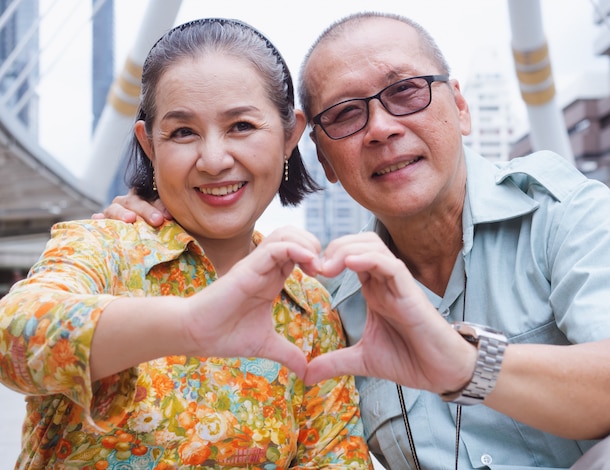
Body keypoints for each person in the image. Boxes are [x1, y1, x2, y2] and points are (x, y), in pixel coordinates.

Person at [104, 11, 610, 470]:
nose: (382, 128)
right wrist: (169, 213)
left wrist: (464, 364)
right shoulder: (331, 307)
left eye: (407, 91)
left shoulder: (567, 214)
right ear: (322, 159)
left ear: (460, 106)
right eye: (346, 114)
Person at [0, 18, 373, 469]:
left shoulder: (309, 311)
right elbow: (10, 339)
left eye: (242, 126)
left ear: (290, 136)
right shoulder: (104, 249)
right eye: (184, 132)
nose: (213, 160)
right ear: (149, 146)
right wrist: (188, 323)